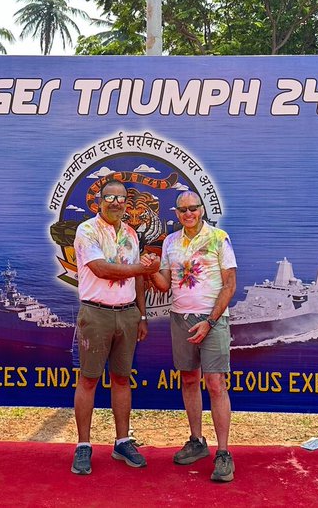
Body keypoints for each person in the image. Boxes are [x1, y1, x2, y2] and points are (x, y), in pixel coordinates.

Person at [70, 179, 158, 475]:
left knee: (122, 378)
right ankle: (84, 445)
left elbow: (139, 279)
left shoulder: (131, 233)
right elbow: (101, 269)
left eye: (121, 198)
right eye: (110, 197)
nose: (116, 203)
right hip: (96, 314)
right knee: (89, 380)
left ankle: (122, 442)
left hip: (128, 314)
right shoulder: (87, 230)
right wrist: (142, 268)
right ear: (99, 201)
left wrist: (141, 316)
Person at [148, 191, 237, 483]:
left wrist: (209, 322)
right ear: (176, 213)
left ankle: (223, 453)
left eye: (193, 208)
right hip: (180, 318)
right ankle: (197, 441)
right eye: (183, 209)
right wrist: (150, 271)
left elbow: (229, 285)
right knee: (188, 379)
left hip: (213, 319)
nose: (188, 213)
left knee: (215, 383)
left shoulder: (219, 238)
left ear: (202, 210)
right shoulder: (170, 242)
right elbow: (164, 284)